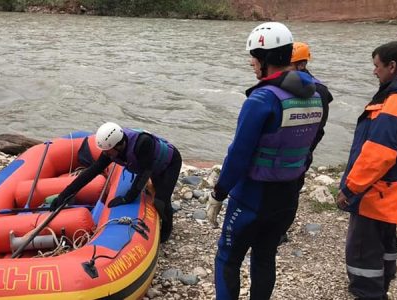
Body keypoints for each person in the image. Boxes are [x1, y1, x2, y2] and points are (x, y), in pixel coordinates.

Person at [206, 22, 324, 299]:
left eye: (253, 57)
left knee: (228, 258)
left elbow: (238, 154)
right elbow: (308, 147)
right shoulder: (315, 96)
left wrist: (219, 192)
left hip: (252, 197)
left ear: (265, 59)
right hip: (287, 197)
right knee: (264, 255)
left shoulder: (261, 99)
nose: (251, 64)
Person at [336, 41, 397, 300]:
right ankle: (383, 284)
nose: (374, 72)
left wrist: (350, 188)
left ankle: (369, 292)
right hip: (396, 192)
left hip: (376, 194)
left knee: (362, 253)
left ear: (392, 67)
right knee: (386, 244)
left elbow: (379, 153)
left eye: (377, 66)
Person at [50, 122, 182, 243]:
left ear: (119, 145)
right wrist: (64, 195)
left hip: (170, 163)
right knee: (157, 189)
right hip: (150, 164)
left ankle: (166, 234)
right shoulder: (111, 150)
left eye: (108, 151)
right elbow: (90, 173)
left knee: (161, 201)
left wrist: (127, 198)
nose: (106, 154)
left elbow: (144, 174)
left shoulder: (143, 143)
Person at [278, 41, 334, 245]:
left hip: (300, 150)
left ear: (301, 65)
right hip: (289, 148)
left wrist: (305, 151)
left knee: (291, 190)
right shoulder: (287, 83)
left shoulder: (318, 91)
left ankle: (281, 231)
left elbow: (319, 128)